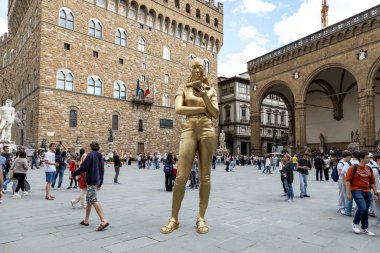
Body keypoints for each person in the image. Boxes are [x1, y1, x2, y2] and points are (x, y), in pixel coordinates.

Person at [161, 58, 218, 234]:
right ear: (190, 69)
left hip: (207, 129)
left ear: (204, 70)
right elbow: (179, 109)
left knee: (205, 177)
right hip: (189, 128)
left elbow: (215, 113)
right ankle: (174, 218)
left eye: (201, 67)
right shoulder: (183, 88)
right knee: (181, 177)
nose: (198, 70)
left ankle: (201, 217)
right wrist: (202, 109)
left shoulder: (210, 90)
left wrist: (204, 96)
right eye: (194, 67)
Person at [71, 141, 109, 231]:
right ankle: (86, 220)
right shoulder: (100, 156)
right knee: (89, 201)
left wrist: (73, 174)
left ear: (91, 147)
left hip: (91, 180)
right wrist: (100, 182)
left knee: (93, 200)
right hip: (96, 180)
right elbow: (102, 170)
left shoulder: (91, 155)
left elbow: (84, 167)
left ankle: (104, 220)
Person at [346, 151, 378, 236]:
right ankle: (355, 223)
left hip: (367, 191)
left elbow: (373, 182)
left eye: (369, 157)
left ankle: (365, 228)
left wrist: (375, 193)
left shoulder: (369, 168)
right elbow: (348, 181)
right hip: (356, 190)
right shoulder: (353, 168)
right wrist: (348, 193)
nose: (369, 159)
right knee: (362, 208)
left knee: (365, 210)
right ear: (361, 159)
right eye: (367, 158)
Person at [372, 154, 380, 227]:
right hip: (378, 190)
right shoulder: (374, 169)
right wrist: (376, 192)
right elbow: (374, 181)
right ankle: (379, 221)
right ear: (378, 159)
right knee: (378, 206)